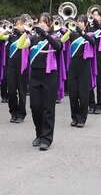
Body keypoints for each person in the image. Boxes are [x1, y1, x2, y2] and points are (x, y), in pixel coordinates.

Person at [27, 13, 63, 151]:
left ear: (50, 24)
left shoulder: (54, 36)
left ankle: (46, 138)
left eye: (45, 22)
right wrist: (25, 32)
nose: (42, 24)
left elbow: (58, 47)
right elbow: (20, 45)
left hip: (49, 76)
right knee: (35, 107)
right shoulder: (34, 38)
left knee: (48, 108)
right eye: (40, 21)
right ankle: (39, 133)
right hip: (35, 75)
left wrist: (46, 35)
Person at [68, 15, 96, 128]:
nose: (79, 23)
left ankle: (82, 118)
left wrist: (82, 33)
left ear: (85, 24)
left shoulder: (90, 34)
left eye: (81, 22)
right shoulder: (72, 34)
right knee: (73, 94)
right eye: (78, 21)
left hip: (84, 67)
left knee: (83, 94)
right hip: (73, 66)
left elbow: (93, 43)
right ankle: (74, 117)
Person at [3, 16, 30, 123]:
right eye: (17, 24)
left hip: (22, 67)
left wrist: (24, 33)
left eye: (20, 24)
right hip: (11, 67)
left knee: (22, 91)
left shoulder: (28, 36)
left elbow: (21, 45)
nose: (18, 26)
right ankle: (13, 112)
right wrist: (8, 30)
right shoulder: (11, 36)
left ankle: (21, 114)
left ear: (25, 25)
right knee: (12, 91)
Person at [88, 10, 101, 114]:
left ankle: (100, 104)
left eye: (97, 15)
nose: (95, 17)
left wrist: (99, 27)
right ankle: (91, 104)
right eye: (93, 15)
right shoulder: (89, 27)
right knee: (89, 81)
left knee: (100, 81)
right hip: (90, 55)